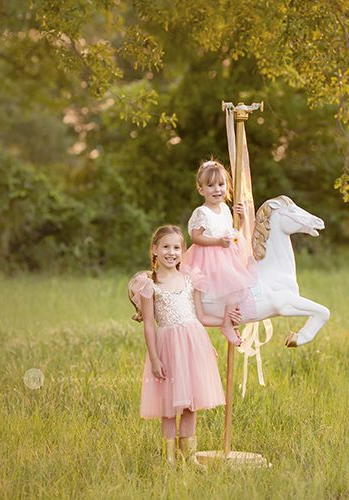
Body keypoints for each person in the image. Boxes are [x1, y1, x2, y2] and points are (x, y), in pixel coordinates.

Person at [129, 225, 241, 467]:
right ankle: (169, 460)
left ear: (182, 251)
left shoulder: (191, 279)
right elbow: (149, 324)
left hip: (194, 345)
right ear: (155, 250)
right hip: (168, 348)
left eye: (177, 247)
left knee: (191, 404)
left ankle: (189, 458)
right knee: (169, 406)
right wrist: (155, 358)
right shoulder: (150, 284)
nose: (172, 252)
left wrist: (225, 320)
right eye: (166, 247)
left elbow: (199, 316)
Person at [182, 159, 255, 346]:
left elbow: (232, 232)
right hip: (207, 257)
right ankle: (226, 324)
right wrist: (217, 242)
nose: (217, 190)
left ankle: (230, 320)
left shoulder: (224, 209)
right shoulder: (202, 212)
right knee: (233, 279)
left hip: (225, 254)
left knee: (240, 281)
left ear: (227, 186)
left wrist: (241, 218)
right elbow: (195, 237)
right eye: (211, 185)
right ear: (201, 189)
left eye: (221, 185)